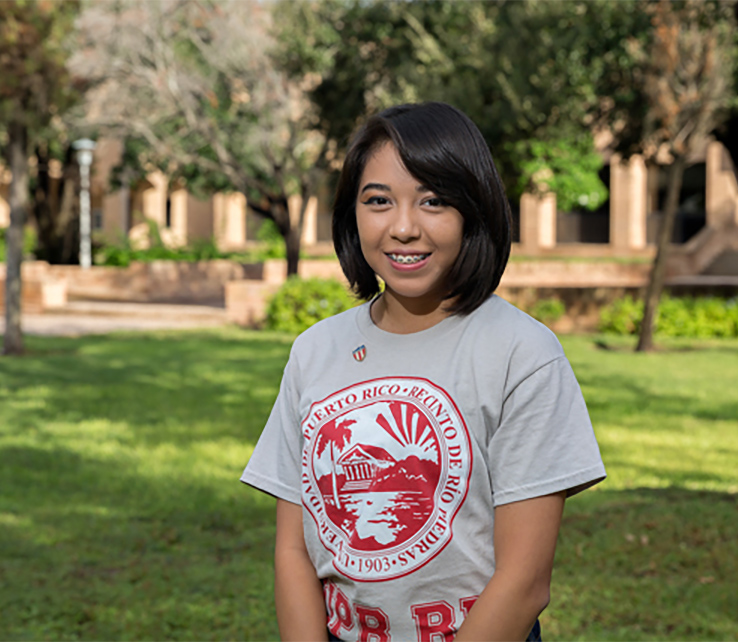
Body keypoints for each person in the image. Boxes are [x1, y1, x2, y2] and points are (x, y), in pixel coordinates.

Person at [241, 102, 606, 642]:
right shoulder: (314, 351)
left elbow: (525, 582)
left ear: (473, 211)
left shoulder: (521, 353)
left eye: (434, 201)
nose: (404, 227)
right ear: (352, 214)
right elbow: (294, 549)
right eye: (379, 201)